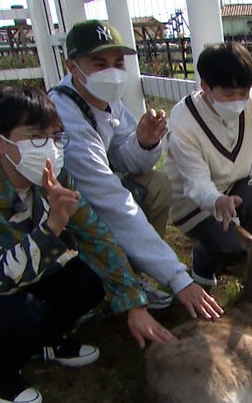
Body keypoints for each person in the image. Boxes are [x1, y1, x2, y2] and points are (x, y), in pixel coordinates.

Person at [0, 85, 175, 403]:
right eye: (36, 135)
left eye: (57, 136)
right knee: (22, 311)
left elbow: (97, 239)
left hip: (20, 278)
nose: (51, 147)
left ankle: (43, 339)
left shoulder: (57, 177)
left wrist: (133, 302)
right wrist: (53, 226)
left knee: (89, 276)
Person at [50, 19, 222, 319]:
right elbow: (112, 201)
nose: (112, 72)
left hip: (87, 197)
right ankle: (108, 283)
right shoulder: (66, 118)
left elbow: (126, 160)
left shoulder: (104, 101)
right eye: (99, 63)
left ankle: (131, 273)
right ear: (71, 66)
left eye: (118, 62)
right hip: (62, 211)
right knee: (116, 218)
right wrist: (177, 276)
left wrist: (144, 142)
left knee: (155, 184)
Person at [164, 41, 252, 290]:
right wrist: (217, 201)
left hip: (235, 189)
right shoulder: (184, 119)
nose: (238, 101)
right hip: (194, 203)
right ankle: (204, 259)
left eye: (243, 92)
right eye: (228, 94)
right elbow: (195, 182)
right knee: (231, 246)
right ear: (205, 86)